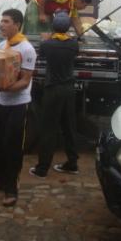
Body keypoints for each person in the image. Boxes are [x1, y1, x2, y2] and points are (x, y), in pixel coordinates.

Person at [0, 9, 37, 207]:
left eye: (6, 21)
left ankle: (11, 189)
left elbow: (24, 81)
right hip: (2, 105)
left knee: (13, 147)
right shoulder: (1, 46)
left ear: (17, 24)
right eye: (1, 21)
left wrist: (3, 88)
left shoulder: (27, 49)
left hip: (18, 105)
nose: (1, 24)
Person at [29, 12, 80, 178]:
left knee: (48, 129)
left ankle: (42, 168)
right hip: (69, 89)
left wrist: (46, 38)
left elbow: (41, 55)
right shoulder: (73, 44)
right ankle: (72, 163)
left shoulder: (47, 44)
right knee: (69, 127)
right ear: (68, 27)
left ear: (53, 26)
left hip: (53, 89)